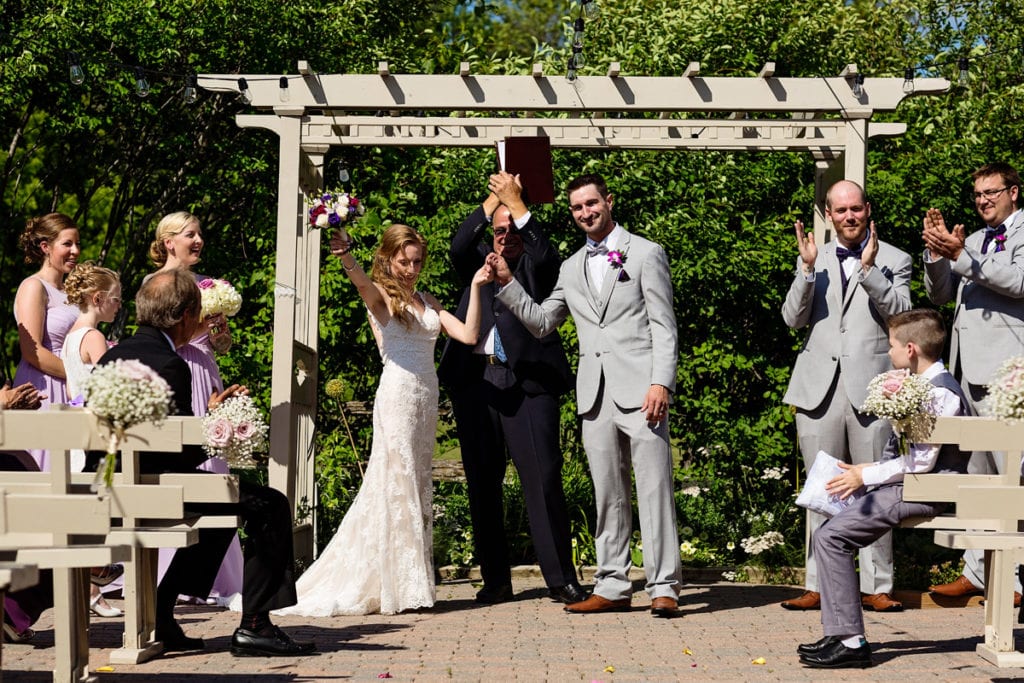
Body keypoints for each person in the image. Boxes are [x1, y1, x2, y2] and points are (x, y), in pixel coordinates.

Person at [489, 173, 682, 617]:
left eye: (591, 203)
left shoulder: (646, 252)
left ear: (608, 202)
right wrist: (507, 282)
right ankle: (613, 584)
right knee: (607, 493)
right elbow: (541, 321)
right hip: (594, 393)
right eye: (577, 208)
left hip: (642, 389)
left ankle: (663, 586)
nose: (585, 213)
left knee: (654, 489)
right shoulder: (571, 266)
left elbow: (663, 325)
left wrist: (661, 382)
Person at [277, 224, 490, 617]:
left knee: (416, 483)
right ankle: (403, 589)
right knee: (398, 482)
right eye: (403, 261)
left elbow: (469, 334)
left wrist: (476, 285)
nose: (411, 269)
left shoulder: (427, 299)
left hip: (426, 397)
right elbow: (362, 286)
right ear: (389, 260)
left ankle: (410, 581)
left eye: (417, 261)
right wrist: (346, 257)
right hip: (397, 395)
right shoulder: (383, 300)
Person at [98, 269, 314, 656]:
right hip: (150, 490)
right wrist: (216, 424)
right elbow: (176, 455)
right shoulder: (170, 364)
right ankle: (255, 624)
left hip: (110, 487)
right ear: (184, 316)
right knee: (270, 505)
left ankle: (163, 614)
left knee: (219, 514)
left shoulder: (113, 355)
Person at [437, 172, 584, 606]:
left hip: (529, 387)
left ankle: (561, 579)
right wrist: (494, 200)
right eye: (497, 231)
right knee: (483, 485)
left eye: (510, 229)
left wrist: (517, 204)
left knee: (543, 480)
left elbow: (544, 249)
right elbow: (460, 243)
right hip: (476, 384)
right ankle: (496, 579)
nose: (503, 237)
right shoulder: (477, 260)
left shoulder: (536, 266)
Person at [799, 309, 969, 669]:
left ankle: (850, 640)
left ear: (910, 349)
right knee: (832, 529)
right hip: (912, 486)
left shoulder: (939, 395)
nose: (888, 352)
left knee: (831, 537)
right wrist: (866, 471)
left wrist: (866, 476)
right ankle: (838, 632)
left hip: (923, 491)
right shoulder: (925, 387)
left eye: (891, 345)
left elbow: (922, 463)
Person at [780, 179, 911, 613]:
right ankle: (818, 583)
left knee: (876, 487)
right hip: (818, 388)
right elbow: (791, 320)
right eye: (841, 211)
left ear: (867, 210)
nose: (849, 217)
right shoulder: (811, 258)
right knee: (823, 489)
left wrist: (870, 272)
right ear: (829, 216)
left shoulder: (895, 259)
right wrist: (804, 271)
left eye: (856, 208)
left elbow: (903, 319)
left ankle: (878, 585)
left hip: (873, 389)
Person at [922, 162, 1024, 604]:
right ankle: (978, 571)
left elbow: (1018, 281)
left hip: (1010, 378)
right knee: (978, 478)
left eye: (991, 192)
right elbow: (939, 295)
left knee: (1012, 479)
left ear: (1014, 192)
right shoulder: (974, 241)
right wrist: (935, 255)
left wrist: (961, 256)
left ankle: (1016, 580)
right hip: (968, 373)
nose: (983, 200)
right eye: (977, 194)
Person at [148, 211, 242, 606]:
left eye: (200, 233)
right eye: (190, 234)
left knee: (215, 466)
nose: (198, 240)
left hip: (207, 371)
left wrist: (218, 327)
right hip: (179, 371)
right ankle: (172, 571)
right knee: (187, 465)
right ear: (169, 241)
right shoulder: (156, 285)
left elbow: (221, 346)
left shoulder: (205, 284)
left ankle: (216, 575)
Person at [61, 262, 124, 619]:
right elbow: (112, 382)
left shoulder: (71, 335)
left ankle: (93, 579)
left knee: (87, 505)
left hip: (75, 425)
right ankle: (97, 569)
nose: (118, 305)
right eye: (115, 299)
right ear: (98, 298)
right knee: (102, 503)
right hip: (95, 430)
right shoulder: (94, 337)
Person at [12, 213, 81, 472]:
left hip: (69, 388)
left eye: (77, 244)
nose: (75, 251)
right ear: (45, 248)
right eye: (67, 244)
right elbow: (31, 350)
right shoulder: (34, 286)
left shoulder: (70, 294)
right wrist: (79, 375)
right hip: (42, 385)